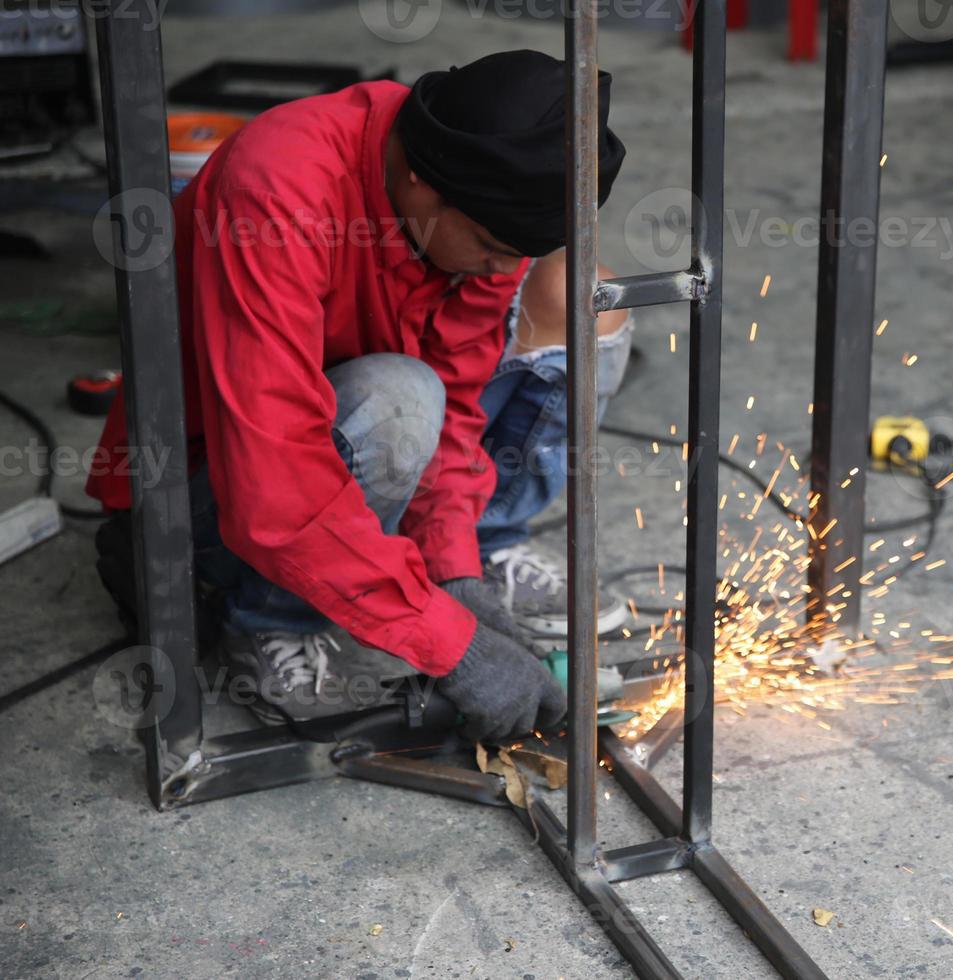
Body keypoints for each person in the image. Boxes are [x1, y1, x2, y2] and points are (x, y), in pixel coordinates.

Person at [87, 50, 631, 742]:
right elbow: (273, 481)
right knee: (399, 401)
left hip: (346, 446)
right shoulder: (279, 190)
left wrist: (455, 572)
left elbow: (458, 411)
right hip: (205, 484)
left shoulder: (464, 186)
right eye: (493, 245)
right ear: (416, 179)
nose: (505, 269)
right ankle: (270, 621)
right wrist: (451, 646)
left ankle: (465, 556)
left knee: (578, 295)